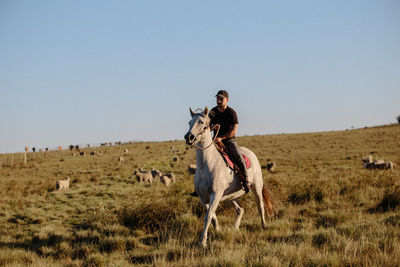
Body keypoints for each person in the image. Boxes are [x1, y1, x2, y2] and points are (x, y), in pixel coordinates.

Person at [190, 90, 251, 197]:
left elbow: (233, 131)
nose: (218, 100)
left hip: (229, 140)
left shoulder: (232, 113)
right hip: (214, 140)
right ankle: (198, 188)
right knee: (202, 159)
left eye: (221, 99)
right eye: (217, 98)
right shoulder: (212, 112)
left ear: (227, 100)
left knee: (238, 156)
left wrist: (221, 138)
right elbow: (206, 126)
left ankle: (246, 180)